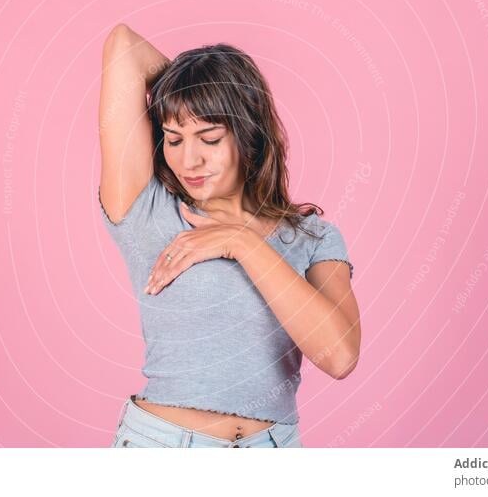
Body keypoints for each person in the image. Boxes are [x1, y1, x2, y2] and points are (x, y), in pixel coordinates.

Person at [98, 24, 360, 448]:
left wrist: (242, 242)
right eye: (173, 138)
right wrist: (189, 90)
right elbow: (123, 45)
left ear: (249, 133)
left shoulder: (313, 237)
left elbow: (340, 356)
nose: (190, 159)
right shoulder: (148, 211)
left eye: (210, 137)